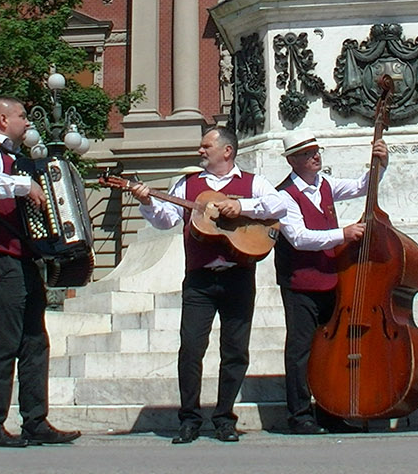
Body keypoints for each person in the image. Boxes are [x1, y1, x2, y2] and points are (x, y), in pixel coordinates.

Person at [121, 125, 287, 444]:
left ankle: (224, 418)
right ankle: (189, 418)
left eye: (205, 145)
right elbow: (166, 220)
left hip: (239, 275)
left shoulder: (254, 183)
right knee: (191, 349)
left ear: (227, 151)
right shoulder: (187, 183)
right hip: (199, 279)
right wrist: (146, 202)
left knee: (235, 350)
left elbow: (279, 207)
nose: (200, 150)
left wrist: (242, 207)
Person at [0, 97, 82, 447]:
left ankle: (35, 421)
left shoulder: (17, 159)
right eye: (22, 116)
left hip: (22, 258)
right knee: (4, 338)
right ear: (2, 120)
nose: (28, 122)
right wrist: (22, 186)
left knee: (34, 341)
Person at [271, 132, 388, 434]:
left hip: (329, 279)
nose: (316, 157)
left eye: (316, 151)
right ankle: (299, 414)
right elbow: (299, 238)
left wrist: (380, 165)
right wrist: (343, 234)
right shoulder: (283, 195)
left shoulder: (325, 184)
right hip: (301, 282)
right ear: (293, 160)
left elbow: (362, 187)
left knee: (329, 349)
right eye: (308, 153)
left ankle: (329, 409)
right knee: (301, 350)